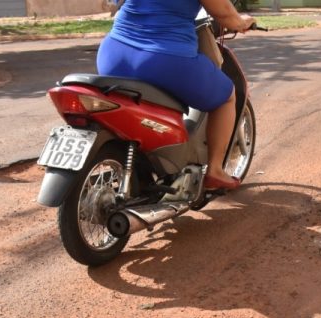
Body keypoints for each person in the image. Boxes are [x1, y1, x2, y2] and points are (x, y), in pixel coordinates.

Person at [97, 0, 255, 190]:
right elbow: (226, 15)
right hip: (165, 59)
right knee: (227, 96)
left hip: (113, 53)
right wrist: (244, 21)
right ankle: (215, 170)